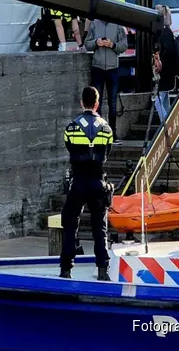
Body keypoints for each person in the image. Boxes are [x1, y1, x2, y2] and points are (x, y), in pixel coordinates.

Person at [60, 86, 114, 281]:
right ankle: (103, 270)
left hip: (79, 181)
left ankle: (66, 269)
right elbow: (106, 154)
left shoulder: (71, 128)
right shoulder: (106, 128)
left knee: (70, 225)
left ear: (82, 102)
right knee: (100, 228)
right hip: (98, 182)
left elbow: (69, 148)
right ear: (97, 103)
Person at [84, 17, 127, 144]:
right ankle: (98, 133)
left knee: (112, 104)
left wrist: (112, 45)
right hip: (98, 68)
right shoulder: (95, 23)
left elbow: (123, 46)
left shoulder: (118, 25)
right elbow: (87, 44)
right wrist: (96, 42)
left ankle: (112, 134)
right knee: (97, 104)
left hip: (113, 69)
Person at [153, 5, 179, 118]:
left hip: (165, 72)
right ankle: (170, 121)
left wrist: (159, 59)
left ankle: (166, 125)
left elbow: (168, 51)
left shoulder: (164, 32)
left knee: (158, 101)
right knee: (165, 100)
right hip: (169, 71)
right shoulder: (168, 31)